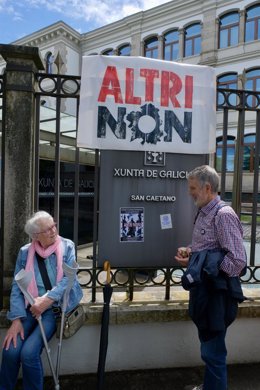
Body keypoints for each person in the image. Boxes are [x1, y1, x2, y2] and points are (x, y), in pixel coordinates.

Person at [175, 165, 246, 390]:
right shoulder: (204, 211)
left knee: (213, 353)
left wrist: (201, 265)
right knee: (209, 349)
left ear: (207, 187)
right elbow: (209, 249)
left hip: (217, 295)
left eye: (193, 188)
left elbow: (237, 261)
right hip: (205, 293)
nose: (190, 192)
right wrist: (192, 255)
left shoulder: (223, 215)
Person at [0, 211, 83, 390]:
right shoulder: (25, 253)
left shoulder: (67, 246)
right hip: (29, 307)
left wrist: (47, 299)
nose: (54, 231)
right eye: (47, 229)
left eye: (54, 225)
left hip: (53, 309)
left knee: (29, 353)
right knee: (10, 350)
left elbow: (69, 279)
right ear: (36, 235)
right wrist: (16, 319)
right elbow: (17, 286)